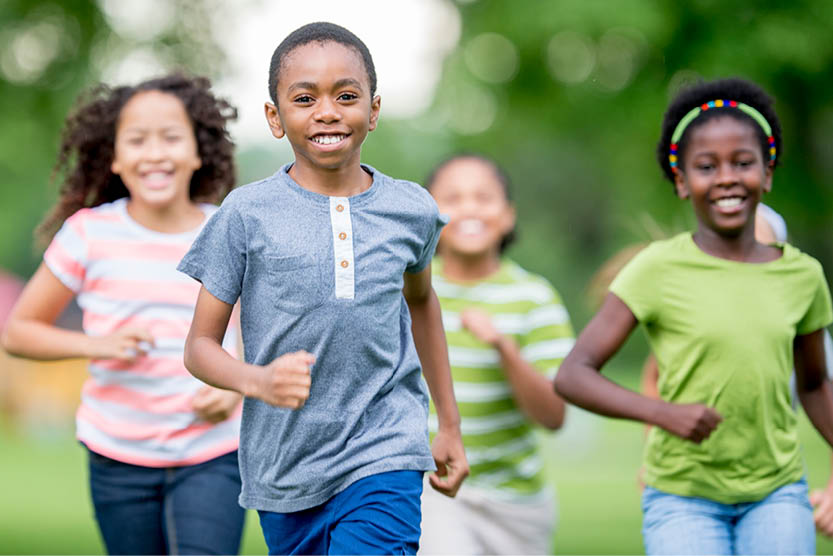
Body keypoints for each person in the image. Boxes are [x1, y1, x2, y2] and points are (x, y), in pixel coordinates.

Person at [176, 22, 468, 555]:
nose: (328, 112)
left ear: (373, 111)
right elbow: (199, 347)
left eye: (346, 96)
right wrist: (258, 380)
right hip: (285, 468)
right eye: (305, 98)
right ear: (275, 117)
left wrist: (448, 423)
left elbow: (422, 303)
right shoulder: (245, 214)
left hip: (386, 447)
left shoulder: (411, 209)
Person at [554, 77, 833, 555]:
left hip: (776, 491)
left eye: (743, 163)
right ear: (682, 181)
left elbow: (813, 384)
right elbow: (573, 375)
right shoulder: (656, 269)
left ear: (767, 174)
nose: (726, 177)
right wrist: (662, 413)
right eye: (707, 166)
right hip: (682, 498)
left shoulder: (803, 276)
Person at [1, 74, 245, 554]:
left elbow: (264, 329)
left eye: (170, 138)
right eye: (137, 140)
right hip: (118, 455)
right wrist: (97, 344)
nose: (154, 153)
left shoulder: (227, 229)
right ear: (115, 157)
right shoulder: (88, 235)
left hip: (213, 450)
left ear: (198, 152)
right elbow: (19, 332)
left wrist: (236, 386)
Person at [419, 154, 572, 554]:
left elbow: (553, 417)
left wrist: (504, 348)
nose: (469, 208)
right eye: (453, 198)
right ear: (428, 214)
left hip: (517, 504)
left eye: (484, 198)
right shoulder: (410, 293)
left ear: (507, 216)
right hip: (433, 489)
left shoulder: (535, 298)